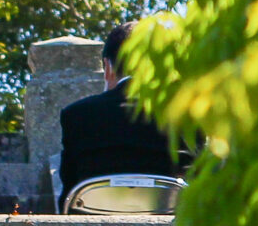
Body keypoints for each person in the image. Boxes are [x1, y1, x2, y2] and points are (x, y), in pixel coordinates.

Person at [54, 20, 184, 205]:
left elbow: (68, 193)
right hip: (170, 218)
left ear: (108, 67)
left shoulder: (76, 115)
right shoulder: (187, 116)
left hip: (94, 216)